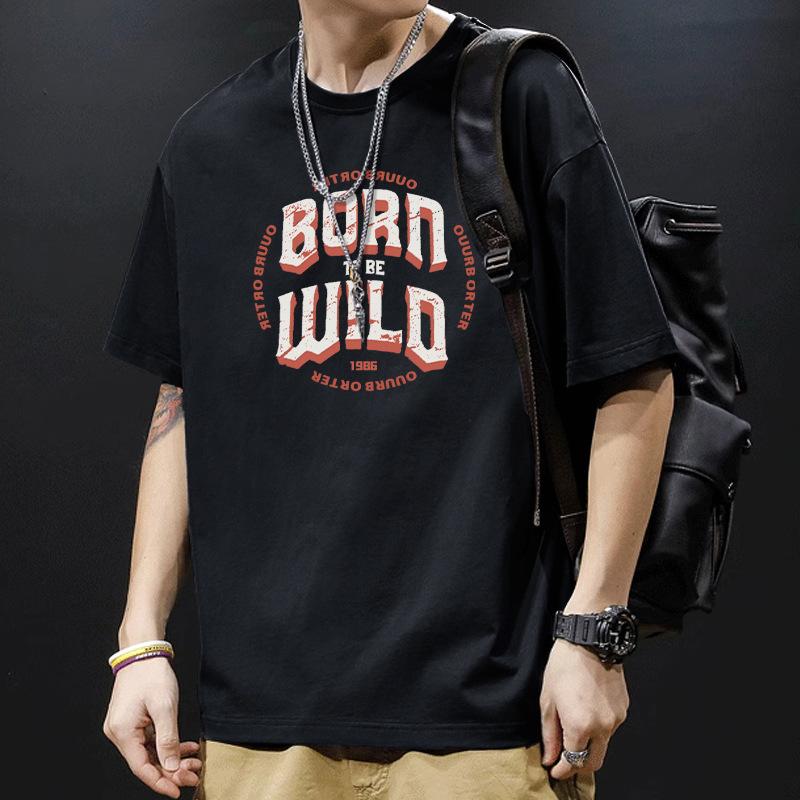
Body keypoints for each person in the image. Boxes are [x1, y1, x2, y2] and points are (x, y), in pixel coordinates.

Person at [101, 3, 678, 798]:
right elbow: (183, 400)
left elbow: (631, 369)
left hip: (490, 719)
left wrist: (594, 631)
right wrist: (140, 640)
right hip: (265, 728)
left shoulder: (519, 94)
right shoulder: (210, 143)